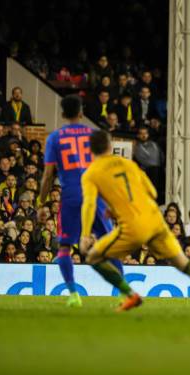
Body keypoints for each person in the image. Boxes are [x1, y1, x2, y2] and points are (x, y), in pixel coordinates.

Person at [78, 130, 190, 313]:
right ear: (110, 146)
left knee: (93, 256)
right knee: (182, 262)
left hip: (133, 226)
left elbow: (88, 204)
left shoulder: (91, 174)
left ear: (90, 150)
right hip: (156, 221)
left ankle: (130, 295)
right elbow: (152, 192)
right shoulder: (129, 164)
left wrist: (85, 234)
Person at [39, 95, 123, 307]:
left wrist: (42, 203)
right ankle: (125, 293)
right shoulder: (96, 135)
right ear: (81, 112)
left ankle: (74, 294)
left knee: (65, 247)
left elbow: (48, 175)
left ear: (62, 114)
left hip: (71, 195)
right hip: (96, 195)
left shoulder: (54, 138)